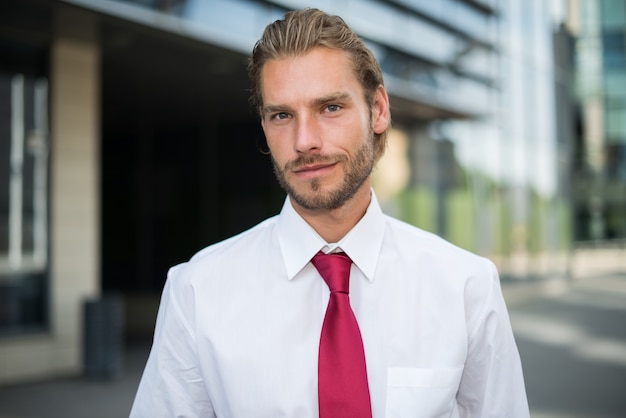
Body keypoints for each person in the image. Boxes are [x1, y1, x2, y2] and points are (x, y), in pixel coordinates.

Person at [130, 7, 529, 418]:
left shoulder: (465, 288)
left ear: (378, 111)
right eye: (282, 115)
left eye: (330, 108)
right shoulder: (197, 292)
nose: (305, 141)